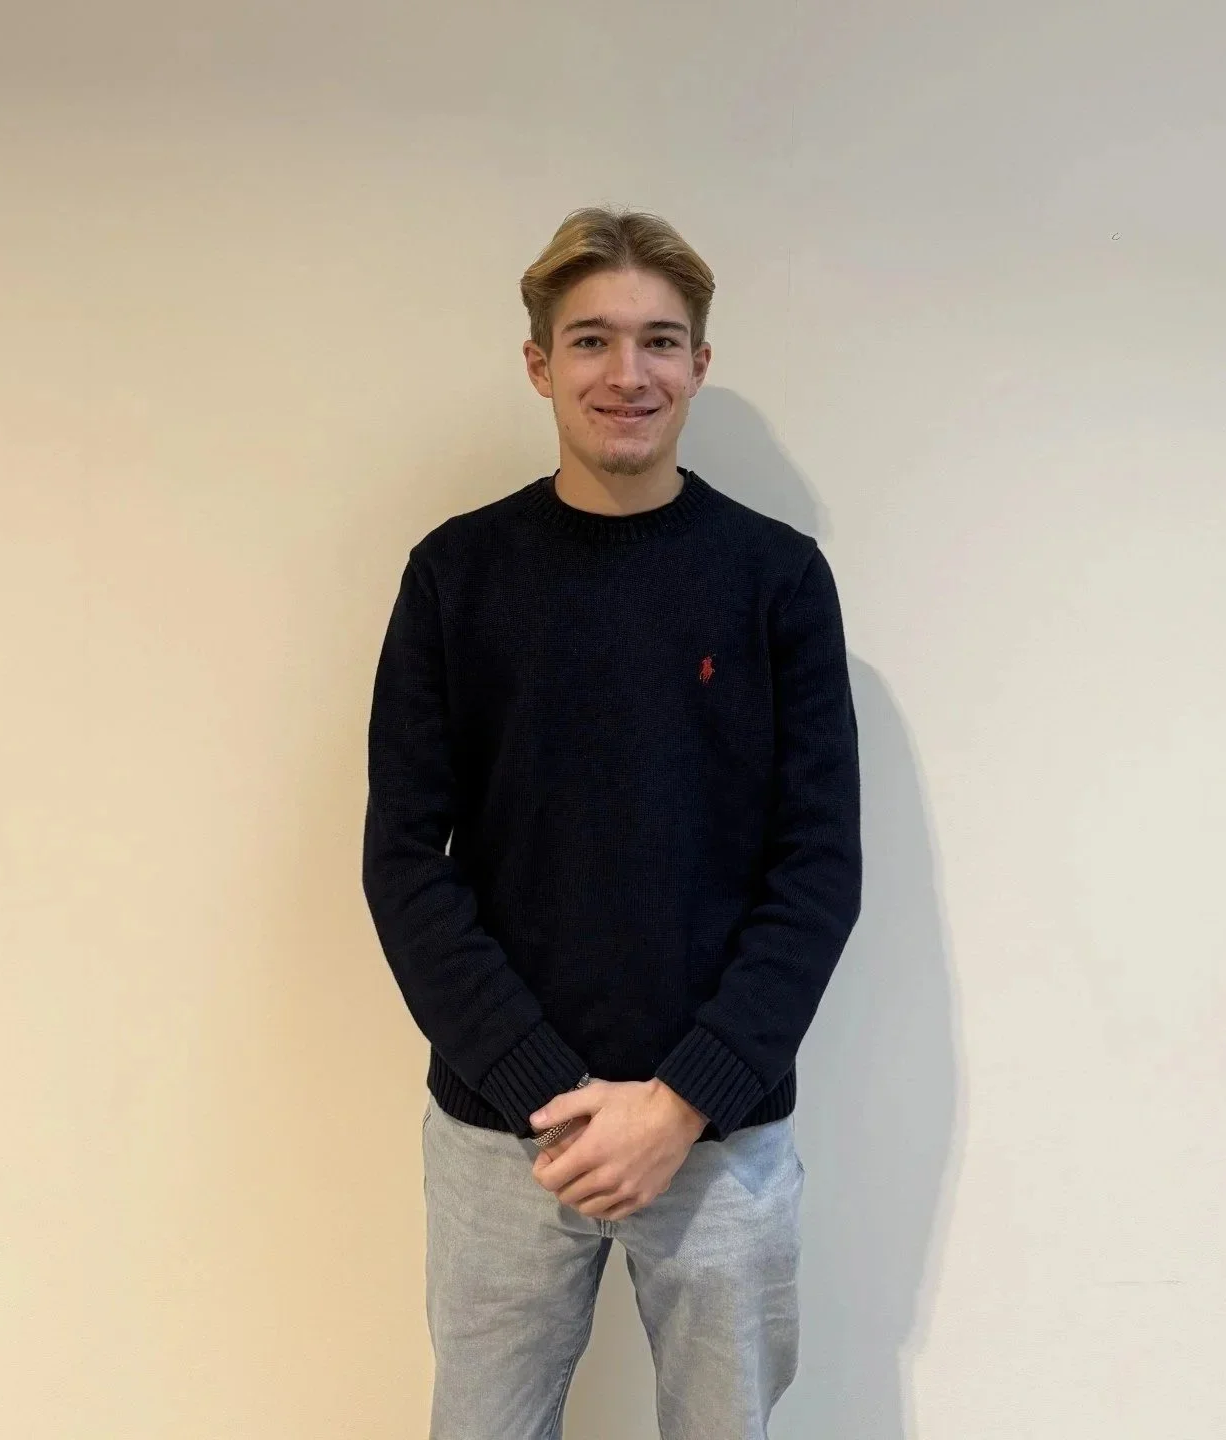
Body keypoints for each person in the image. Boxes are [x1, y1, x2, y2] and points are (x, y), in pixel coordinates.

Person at [361, 205, 863, 1439]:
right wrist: (548, 1091)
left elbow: (818, 871)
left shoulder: (778, 580)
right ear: (540, 365)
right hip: (505, 1136)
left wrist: (682, 1101)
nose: (626, 373)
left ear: (701, 362)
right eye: (591, 340)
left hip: (720, 1137)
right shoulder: (455, 576)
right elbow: (404, 864)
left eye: (659, 341)